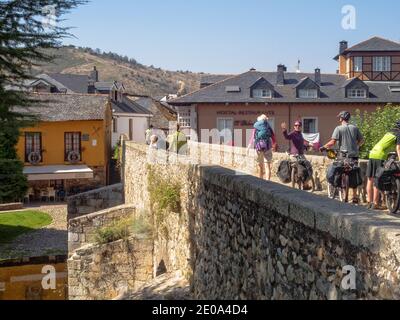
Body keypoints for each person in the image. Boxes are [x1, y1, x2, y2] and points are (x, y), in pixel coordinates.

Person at [321, 111, 364, 203]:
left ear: (341, 118)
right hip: (354, 155)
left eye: (339, 117)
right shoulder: (355, 128)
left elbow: (332, 142)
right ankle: (355, 196)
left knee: (339, 170)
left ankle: (340, 187)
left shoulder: (338, 128)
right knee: (354, 172)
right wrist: (356, 146)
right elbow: (362, 141)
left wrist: (323, 147)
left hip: (343, 155)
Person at [366, 121, 400, 210]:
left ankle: (369, 202)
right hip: (380, 156)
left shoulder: (390, 132)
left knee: (370, 178)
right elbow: (398, 148)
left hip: (373, 153)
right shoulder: (398, 134)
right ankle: (376, 203)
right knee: (378, 178)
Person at [248, 114, 277, 180]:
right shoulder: (268, 126)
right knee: (267, 166)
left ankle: (260, 180)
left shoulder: (256, 126)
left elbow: (253, 137)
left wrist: (249, 146)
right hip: (268, 146)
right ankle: (268, 181)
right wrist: (274, 145)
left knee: (260, 165)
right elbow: (273, 137)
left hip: (259, 146)